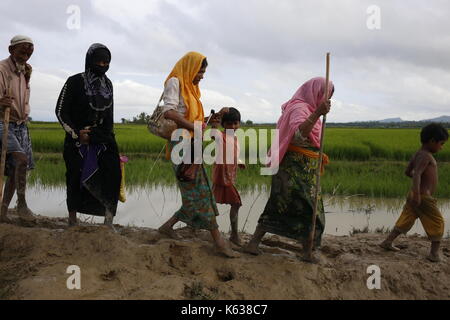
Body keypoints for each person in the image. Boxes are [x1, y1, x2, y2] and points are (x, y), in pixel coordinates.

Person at [157, 51, 239, 258]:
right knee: (201, 190)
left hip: (193, 143)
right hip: (181, 145)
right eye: (199, 72)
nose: (201, 76)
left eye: (202, 73)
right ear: (191, 67)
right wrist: (196, 125)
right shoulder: (175, 82)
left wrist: (211, 120)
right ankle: (219, 241)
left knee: (194, 189)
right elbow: (169, 112)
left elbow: (197, 122)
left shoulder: (193, 90)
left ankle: (167, 227)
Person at [243, 77, 333, 261]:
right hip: (291, 169)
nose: (326, 100)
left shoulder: (309, 109)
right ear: (315, 92)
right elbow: (299, 135)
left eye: (329, 97)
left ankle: (305, 251)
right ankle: (303, 252)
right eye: (325, 95)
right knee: (292, 207)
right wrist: (317, 113)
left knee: (308, 208)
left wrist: (318, 112)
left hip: (307, 170)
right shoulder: (299, 108)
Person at [55, 43, 121, 229]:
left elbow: (109, 116)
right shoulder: (74, 81)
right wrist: (77, 134)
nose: (102, 65)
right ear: (89, 60)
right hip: (77, 139)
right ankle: (72, 221)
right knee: (74, 177)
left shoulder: (108, 84)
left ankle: (108, 222)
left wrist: (100, 135)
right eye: (98, 61)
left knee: (112, 175)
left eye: (106, 62)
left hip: (102, 138)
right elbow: (61, 111)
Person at [380, 123, 448, 262]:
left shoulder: (418, 154)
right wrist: (418, 193)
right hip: (423, 198)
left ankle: (387, 242)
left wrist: (416, 189)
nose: (442, 147)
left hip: (415, 195)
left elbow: (408, 172)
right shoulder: (426, 156)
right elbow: (416, 174)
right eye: (441, 143)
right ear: (432, 141)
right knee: (438, 222)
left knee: (407, 218)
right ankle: (434, 254)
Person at [0, 35, 35, 222]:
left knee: (17, 167)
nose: (27, 53)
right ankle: (22, 204)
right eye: (23, 50)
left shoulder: (25, 71)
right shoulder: (2, 69)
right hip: (2, 121)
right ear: (11, 50)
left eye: (30, 50)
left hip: (20, 124)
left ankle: (3, 211)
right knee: (20, 160)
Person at [211, 107, 246, 246]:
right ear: (223, 124)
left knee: (210, 204)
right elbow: (213, 130)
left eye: (235, 123)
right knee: (236, 203)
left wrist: (239, 162)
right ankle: (234, 235)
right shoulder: (220, 136)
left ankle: (229, 234)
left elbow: (233, 154)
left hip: (228, 176)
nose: (232, 126)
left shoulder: (235, 139)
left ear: (239, 123)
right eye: (229, 124)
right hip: (221, 176)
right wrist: (218, 114)